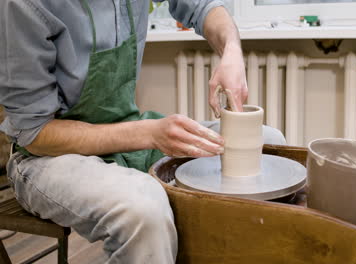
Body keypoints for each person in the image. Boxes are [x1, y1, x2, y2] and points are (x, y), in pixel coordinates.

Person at [0, 0, 286, 262]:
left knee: (270, 145)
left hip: (124, 130)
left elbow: (203, 6)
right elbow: (35, 133)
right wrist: (149, 134)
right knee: (143, 210)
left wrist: (232, 50)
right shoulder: (23, 5)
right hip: (44, 156)